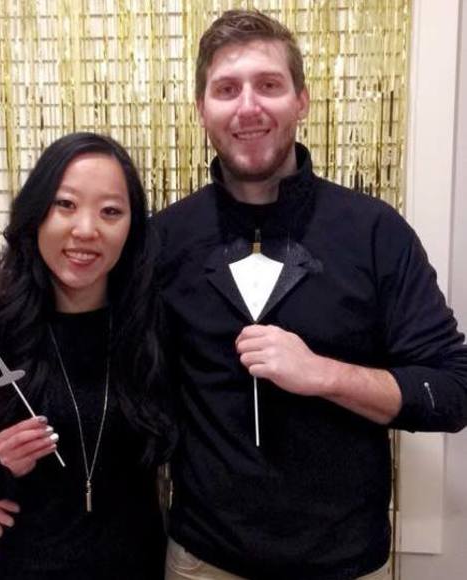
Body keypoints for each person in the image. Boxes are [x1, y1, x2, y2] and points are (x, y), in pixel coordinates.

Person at [152, 9, 467, 580]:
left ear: (301, 100)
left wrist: (322, 374)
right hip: (203, 561)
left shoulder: (374, 231)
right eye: (227, 89)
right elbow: (118, 386)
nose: (248, 106)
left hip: (346, 563)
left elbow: (452, 390)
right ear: (201, 109)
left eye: (269, 85)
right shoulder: (164, 239)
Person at [0, 132, 174, 579]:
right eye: (65, 204)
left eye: (110, 211)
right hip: (30, 567)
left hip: (137, 567)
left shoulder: (152, 329)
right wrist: (1, 469)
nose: (86, 229)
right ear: (36, 215)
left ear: (132, 228)